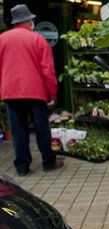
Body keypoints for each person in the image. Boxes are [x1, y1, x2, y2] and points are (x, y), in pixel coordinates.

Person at [0, 4, 63, 176]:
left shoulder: (2, 39)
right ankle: (48, 162)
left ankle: (22, 167)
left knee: (18, 131)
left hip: (11, 92)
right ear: (29, 21)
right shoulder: (38, 40)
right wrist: (52, 93)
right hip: (35, 92)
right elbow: (48, 71)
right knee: (42, 128)